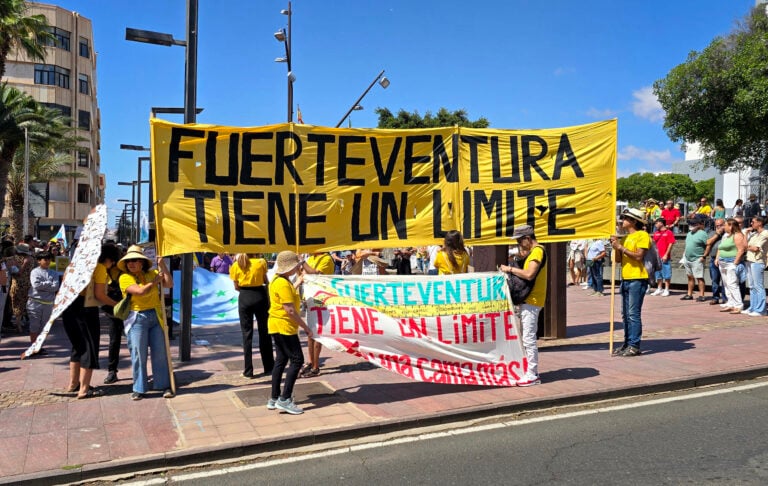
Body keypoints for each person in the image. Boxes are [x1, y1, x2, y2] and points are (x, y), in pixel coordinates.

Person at [62, 244, 121, 399]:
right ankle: (84, 389)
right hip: (86, 310)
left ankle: (73, 384)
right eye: (113, 262)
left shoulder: (76, 263)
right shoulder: (99, 267)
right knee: (89, 348)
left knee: (77, 347)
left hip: (69, 308)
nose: (112, 265)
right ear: (109, 258)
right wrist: (118, 305)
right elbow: (100, 295)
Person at [118, 245, 174, 400]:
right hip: (136, 318)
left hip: (156, 316)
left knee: (160, 354)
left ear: (142, 262)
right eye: (129, 261)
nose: (131, 263)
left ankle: (163, 385)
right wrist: (155, 283)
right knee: (138, 354)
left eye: (135, 260)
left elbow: (169, 284)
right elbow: (139, 291)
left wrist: (162, 265)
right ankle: (139, 388)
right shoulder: (124, 277)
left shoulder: (152, 273)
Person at [499, 225, 546, 385]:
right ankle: (530, 370)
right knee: (526, 337)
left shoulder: (538, 251)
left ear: (527, 238)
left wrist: (509, 269)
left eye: (520, 240)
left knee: (528, 338)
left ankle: (532, 374)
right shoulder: (534, 252)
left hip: (532, 300)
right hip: (530, 300)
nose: (519, 244)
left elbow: (529, 274)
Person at [267, 251, 313, 414]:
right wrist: (306, 328)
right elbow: (290, 310)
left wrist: (298, 282)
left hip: (276, 325)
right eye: (296, 266)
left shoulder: (278, 280)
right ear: (291, 267)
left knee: (281, 360)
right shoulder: (283, 283)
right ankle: (285, 399)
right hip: (285, 326)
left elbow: (285, 296)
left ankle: (274, 397)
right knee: (297, 360)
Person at [610, 208, 650, 357]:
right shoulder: (626, 238)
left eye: (625, 218)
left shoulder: (642, 235)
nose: (623, 220)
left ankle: (634, 345)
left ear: (634, 221)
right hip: (626, 278)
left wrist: (621, 247)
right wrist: (616, 247)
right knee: (625, 314)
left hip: (637, 278)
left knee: (633, 314)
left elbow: (639, 256)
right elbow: (619, 260)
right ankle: (627, 343)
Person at [229, 253, 273, 378]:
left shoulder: (236, 265)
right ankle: (269, 366)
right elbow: (266, 281)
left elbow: (236, 286)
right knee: (264, 332)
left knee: (246, 334)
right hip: (259, 295)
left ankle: (248, 370)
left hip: (244, 296)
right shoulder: (261, 262)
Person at [299, 251, 335, 377]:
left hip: (320, 298)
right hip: (309, 297)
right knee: (310, 332)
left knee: (318, 331)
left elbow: (315, 274)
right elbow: (303, 274)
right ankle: (310, 361)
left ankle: (315, 366)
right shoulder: (311, 258)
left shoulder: (326, 259)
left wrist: (303, 263)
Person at [26, 251, 59, 352]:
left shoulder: (54, 273)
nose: (48, 261)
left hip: (48, 304)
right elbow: (36, 285)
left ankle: (39, 346)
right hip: (35, 303)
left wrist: (44, 284)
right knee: (34, 325)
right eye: (45, 259)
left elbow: (56, 287)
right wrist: (49, 283)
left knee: (44, 327)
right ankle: (34, 346)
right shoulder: (34, 272)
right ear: (39, 261)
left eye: (49, 259)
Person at [103, 244, 126, 384]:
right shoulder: (102, 270)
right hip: (111, 311)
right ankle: (112, 370)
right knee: (114, 341)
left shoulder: (124, 268)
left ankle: (139, 371)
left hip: (129, 309)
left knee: (134, 341)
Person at [716, 218, 747, 314]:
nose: (723, 227)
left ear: (731, 226)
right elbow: (720, 248)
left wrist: (735, 263)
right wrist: (718, 258)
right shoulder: (727, 236)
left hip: (731, 263)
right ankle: (731, 303)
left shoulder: (737, 235)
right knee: (726, 284)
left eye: (725, 225)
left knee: (732, 284)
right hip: (723, 262)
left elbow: (741, 250)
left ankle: (738, 305)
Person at [742, 216, 768, 316]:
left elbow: (755, 248)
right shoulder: (754, 234)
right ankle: (753, 307)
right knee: (752, 286)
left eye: (753, 222)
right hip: (749, 260)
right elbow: (745, 246)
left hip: (758, 261)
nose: (751, 224)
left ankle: (761, 309)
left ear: (760, 223)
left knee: (758, 286)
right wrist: (746, 233)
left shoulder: (765, 233)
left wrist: (748, 247)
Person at [680, 214, 710, 302]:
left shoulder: (702, 234)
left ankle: (702, 295)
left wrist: (704, 256)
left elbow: (708, 245)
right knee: (689, 277)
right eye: (690, 224)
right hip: (687, 258)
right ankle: (689, 294)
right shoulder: (689, 233)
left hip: (697, 258)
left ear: (698, 225)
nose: (691, 226)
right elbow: (687, 245)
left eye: (693, 224)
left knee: (699, 277)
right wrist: (684, 255)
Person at [8, 243, 34, 332]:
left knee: (16, 304)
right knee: (26, 304)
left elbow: (18, 272)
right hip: (28, 284)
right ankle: (26, 324)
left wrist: (17, 265)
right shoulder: (31, 258)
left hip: (17, 284)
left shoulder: (13, 259)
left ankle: (19, 325)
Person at [649, 218, 675, 297]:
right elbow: (653, 243)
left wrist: (666, 254)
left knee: (666, 273)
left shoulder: (669, 232)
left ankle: (666, 289)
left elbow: (671, 243)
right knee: (658, 274)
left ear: (661, 223)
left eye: (657, 223)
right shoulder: (656, 233)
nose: (655, 225)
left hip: (664, 256)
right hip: (657, 256)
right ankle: (659, 288)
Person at [705, 219, 727, 305]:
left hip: (724, 258)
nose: (719, 227)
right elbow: (708, 242)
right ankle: (715, 297)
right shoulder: (712, 233)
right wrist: (718, 234)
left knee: (725, 280)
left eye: (721, 225)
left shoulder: (728, 234)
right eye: (717, 225)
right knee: (715, 280)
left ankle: (725, 298)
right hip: (713, 258)